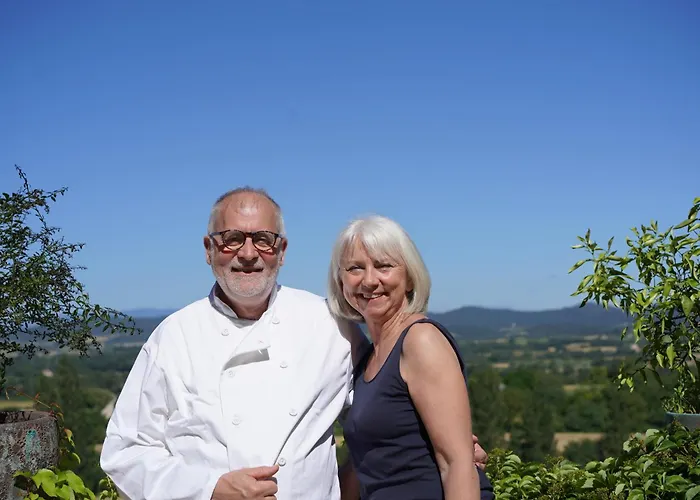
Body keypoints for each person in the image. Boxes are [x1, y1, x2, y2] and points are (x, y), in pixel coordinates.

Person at [101, 188, 488, 500]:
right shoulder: (173, 338)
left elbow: (385, 405)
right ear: (209, 250)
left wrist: (443, 447)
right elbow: (124, 453)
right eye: (232, 239)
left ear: (282, 252)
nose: (248, 254)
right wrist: (209, 489)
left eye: (263, 240)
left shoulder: (329, 324)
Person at [327, 215, 492, 500]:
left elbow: (456, 463)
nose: (369, 280)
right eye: (355, 268)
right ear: (340, 282)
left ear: (410, 277)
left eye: (384, 266)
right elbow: (369, 463)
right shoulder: (368, 358)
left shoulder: (420, 341)